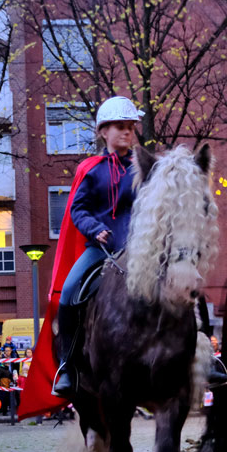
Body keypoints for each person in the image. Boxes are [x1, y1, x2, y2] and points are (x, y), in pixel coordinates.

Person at [51, 96, 143, 396]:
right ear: (104, 131)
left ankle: (203, 355)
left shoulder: (145, 166)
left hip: (142, 249)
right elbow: (78, 209)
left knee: (185, 281)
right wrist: (95, 229)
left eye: (131, 126)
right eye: (120, 126)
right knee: (69, 292)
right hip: (101, 248)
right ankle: (67, 365)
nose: (127, 131)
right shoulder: (91, 169)